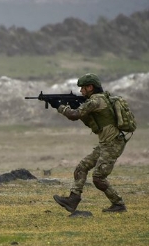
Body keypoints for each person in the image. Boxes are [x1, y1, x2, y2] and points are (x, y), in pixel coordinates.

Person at [49, 73, 128, 213]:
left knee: (98, 178)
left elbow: (74, 115)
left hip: (112, 144)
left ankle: (119, 204)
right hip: (106, 143)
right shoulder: (100, 99)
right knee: (81, 168)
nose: (81, 91)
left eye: (83, 88)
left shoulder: (95, 101)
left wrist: (59, 106)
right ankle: (73, 200)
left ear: (90, 87)